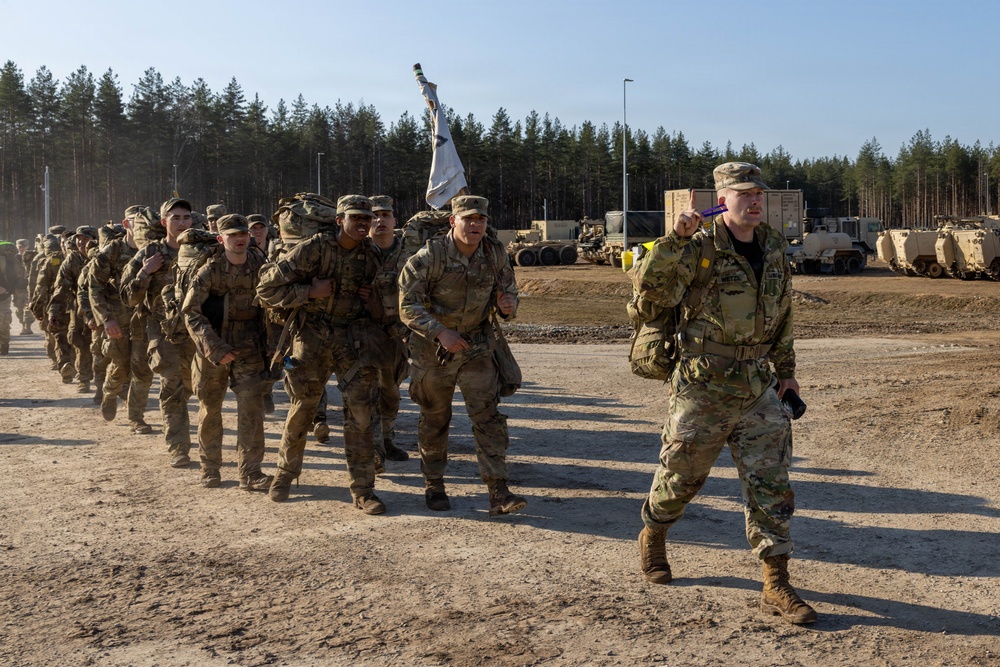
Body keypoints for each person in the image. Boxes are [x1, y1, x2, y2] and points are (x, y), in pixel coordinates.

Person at [634, 162, 816, 625]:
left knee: (771, 481)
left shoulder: (772, 246)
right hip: (703, 383)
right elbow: (650, 292)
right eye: (744, 194)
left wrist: (787, 373)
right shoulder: (698, 246)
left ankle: (775, 580)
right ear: (722, 199)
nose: (754, 201)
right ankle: (654, 532)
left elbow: (783, 314)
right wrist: (673, 240)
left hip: (757, 384)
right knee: (682, 475)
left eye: (759, 194)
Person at [398, 195, 527, 516]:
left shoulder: (494, 253)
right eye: (468, 219)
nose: (475, 225)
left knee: (488, 417)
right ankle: (434, 484)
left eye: (480, 219)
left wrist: (508, 306)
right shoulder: (430, 256)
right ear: (453, 221)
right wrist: (440, 332)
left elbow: (508, 289)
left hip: (477, 347)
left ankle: (498, 489)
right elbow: (407, 305)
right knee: (435, 418)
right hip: (433, 351)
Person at [256, 194, 386, 513]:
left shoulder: (372, 255)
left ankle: (363, 489)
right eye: (355, 218)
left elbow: (382, 306)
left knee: (360, 412)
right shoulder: (313, 248)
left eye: (367, 218)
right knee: (304, 407)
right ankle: (285, 475)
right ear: (339, 220)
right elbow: (265, 289)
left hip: (351, 339)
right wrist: (309, 292)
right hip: (311, 335)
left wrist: (372, 299)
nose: (362, 223)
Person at [183, 214, 273, 491]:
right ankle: (210, 468)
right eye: (232, 235)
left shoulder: (261, 266)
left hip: (249, 346)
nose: (239, 239)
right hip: (214, 345)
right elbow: (191, 313)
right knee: (210, 409)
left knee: (252, 409)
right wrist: (215, 348)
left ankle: (251, 472)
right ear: (221, 239)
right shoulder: (209, 271)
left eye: (243, 233)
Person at [122, 198, 197, 468]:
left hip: (195, 330)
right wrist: (145, 272)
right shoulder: (150, 252)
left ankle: (176, 426)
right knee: (171, 384)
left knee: (189, 386)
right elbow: (127, 296)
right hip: (162, 330)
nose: (182, 223)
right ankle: (178, 447)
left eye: (186, 217)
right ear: (164, 222)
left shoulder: (201, 249)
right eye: (175, 218)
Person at [89, 208, 154, 434]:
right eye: (137, 222)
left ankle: (136, 417)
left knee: (143, 370)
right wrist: (105, 318)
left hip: (144, 319)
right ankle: (109, 394)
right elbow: (94, 287)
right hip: (118, 318)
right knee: (120, 366)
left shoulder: (153, 250)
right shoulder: (113, 251)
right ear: (126, 224)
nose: (143, 227)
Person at [367, 195, 411, 470]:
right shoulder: (358, 253)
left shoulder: (410, 254)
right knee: (367, 393)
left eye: (385, 215)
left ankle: (387, 438)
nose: (380, 220)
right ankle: (373, 448)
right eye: (374, 216)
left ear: (395, 220)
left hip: (397, 335)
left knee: (391, 392)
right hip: (364, 333)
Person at [14, 239, 34, 336]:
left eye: (24, 246)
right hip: (18, 287)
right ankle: (23, 325)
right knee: (19, 308)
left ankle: (28, 327)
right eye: (20, 247)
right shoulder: (14, 259)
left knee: (28, 307)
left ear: (28, 246)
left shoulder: (32, 257)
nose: (22, 249)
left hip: (29, 286)